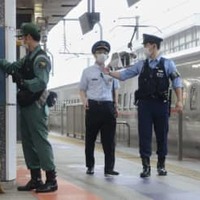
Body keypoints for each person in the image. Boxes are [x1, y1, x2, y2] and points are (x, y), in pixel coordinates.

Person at [105, 34, 183, 178]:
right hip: (145, 105)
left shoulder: (168, 64)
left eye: (146, 45)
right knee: (144, 135)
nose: (145, 48)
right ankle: (146, 167)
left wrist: (179, 100)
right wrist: (110, 73)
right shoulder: (141, 65)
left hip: (161, 105)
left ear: (153, 46)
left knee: (162, 136)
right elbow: (125, 75)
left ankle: (161, 165)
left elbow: (177, 81)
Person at [0, 23, 57, 192]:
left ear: (29, 38)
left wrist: (23, 82)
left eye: (24, 37)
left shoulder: (40, 58)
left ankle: (51, 180)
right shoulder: (28, 58)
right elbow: (12, 68)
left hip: (36, 105)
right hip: (26, 105)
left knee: (40, 141)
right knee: (28, 142)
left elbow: (41, 81)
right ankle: (36, 178)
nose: (23, 40)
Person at [79, 40, 120, 176]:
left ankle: (109, 168)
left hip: (108, 107)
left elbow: (116, 90)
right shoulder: (87, 72)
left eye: (104, 52)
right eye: (99, 52)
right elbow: (82, 89)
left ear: (107, 55)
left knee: (109, 141)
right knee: (90, 139)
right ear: (94, 55)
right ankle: (90, 166)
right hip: (93, 106)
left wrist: (116, 105)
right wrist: (84, 101)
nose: (102, 54)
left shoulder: (112, 72)